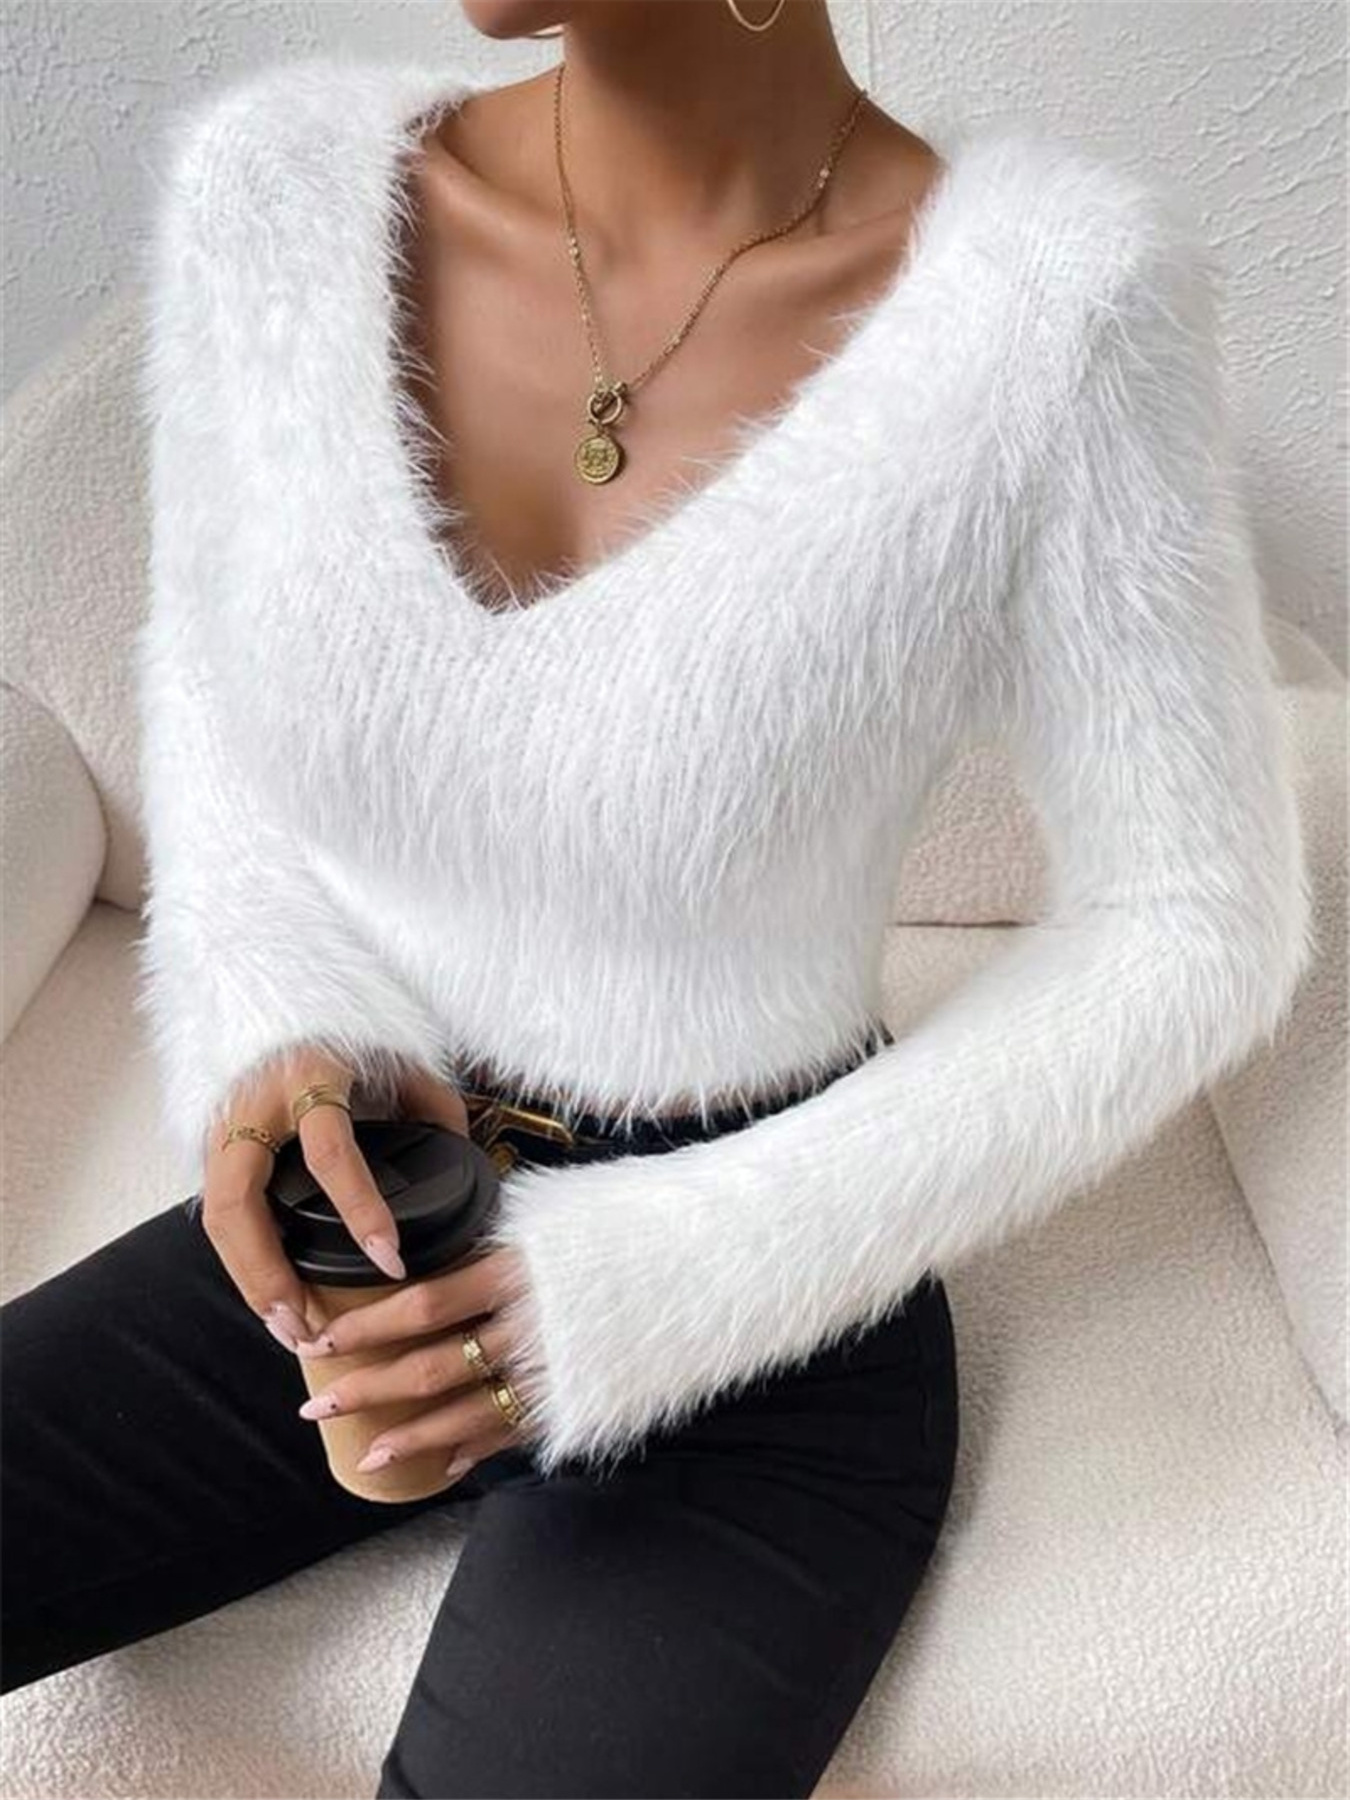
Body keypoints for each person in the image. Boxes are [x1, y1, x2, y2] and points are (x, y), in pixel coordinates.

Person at [0, 1, 1312, 1796]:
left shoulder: (1056, 311)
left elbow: (1190, 918)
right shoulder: (278, 196)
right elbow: (216, 698)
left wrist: (652, 1288)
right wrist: (278, 1030)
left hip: (757, 1310)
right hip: (366, 1215)